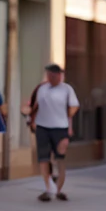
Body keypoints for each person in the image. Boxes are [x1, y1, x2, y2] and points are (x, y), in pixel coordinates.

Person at [27, 63, 78, 200]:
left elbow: (73, 108)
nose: (52, 77)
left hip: (60, 127)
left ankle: (58, 188)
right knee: (43, 158)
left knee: (59, 157)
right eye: (49, 74)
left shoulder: (67, 90)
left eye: (55, 75)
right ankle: (48, 188)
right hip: (42, 126)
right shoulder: (41, 88)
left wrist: (68, 123)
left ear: (60, 76)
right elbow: (33, 106)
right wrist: (32, 120)